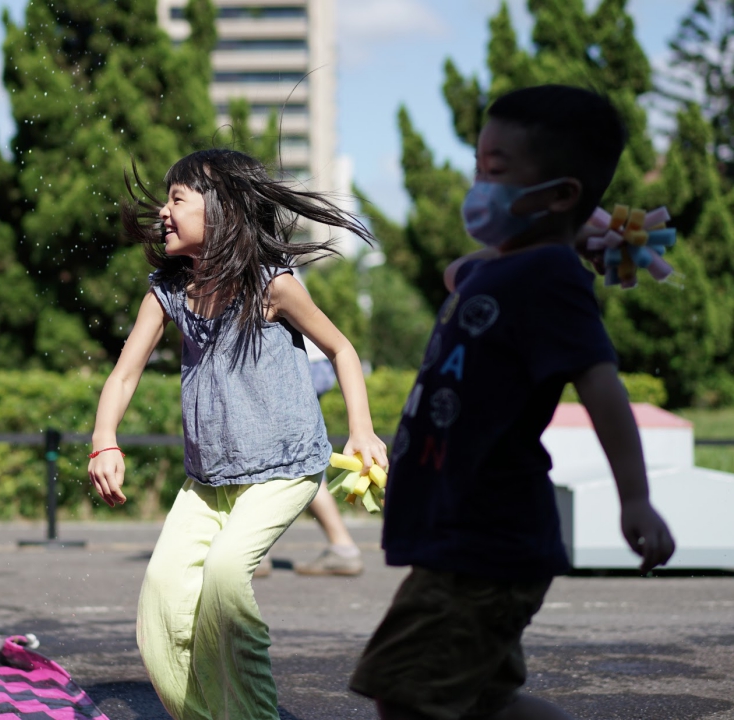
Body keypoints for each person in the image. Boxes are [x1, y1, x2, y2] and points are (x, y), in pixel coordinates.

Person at [348, 85, 676, 720]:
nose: (478, 185)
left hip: (488, 536)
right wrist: (578, 234)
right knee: (482, 703)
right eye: (479, 166)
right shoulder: (505, 267)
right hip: (468, 532)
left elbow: (603, 387)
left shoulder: (551, 279)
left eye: (495, 171)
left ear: (560, 194)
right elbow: (456, 272)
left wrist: (634, 497)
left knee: (408, 695)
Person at [88, 148, 388, 719]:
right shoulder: (168, 289)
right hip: (207, 482)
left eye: (177, 199)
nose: (163, 213)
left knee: (225, 579)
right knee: (159, 603)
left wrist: (362, 430)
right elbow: (124, 374)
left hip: (283, 467)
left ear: (221, 209)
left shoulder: (272, 285)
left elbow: (342, 349)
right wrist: (105, 439)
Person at [254, 336, 365, 578]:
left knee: (268, 450)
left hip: (292, 359)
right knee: (292, 454)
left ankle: (255, 552)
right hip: (312, 359)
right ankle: (341, 547)